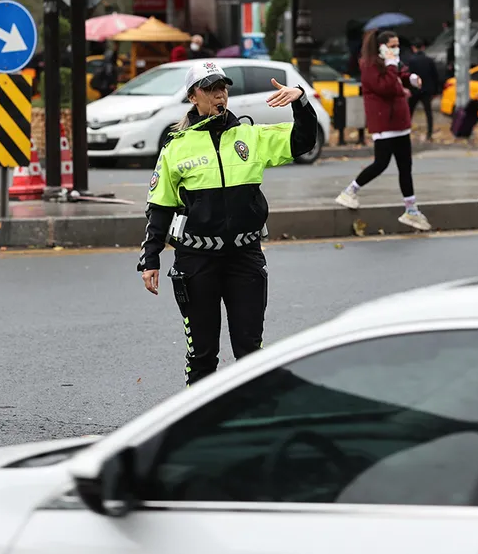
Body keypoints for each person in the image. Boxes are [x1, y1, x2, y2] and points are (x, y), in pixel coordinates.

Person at [137, 60, 318, 387]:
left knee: (250, 350)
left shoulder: (251, 136)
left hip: (244, 258)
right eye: (210, 89)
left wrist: (300, 100)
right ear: (193, 96)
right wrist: (150, 258)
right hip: (196, 261)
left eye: (223, 88)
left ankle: (249, 421)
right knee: (203, 354)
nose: (219, 95)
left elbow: (302, 141)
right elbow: (160, 205)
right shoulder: (176, 147)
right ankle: (199, 423)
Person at [333, 30, 431, 231]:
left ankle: (411, 210)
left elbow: (399, 75)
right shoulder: (369, 65)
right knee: (381, 163)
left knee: (405, 166)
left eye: (397, 44)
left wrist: (410, 78)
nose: (396, 48)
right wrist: (393, 70)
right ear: (381, 46)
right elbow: (385, 86)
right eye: (392, 45)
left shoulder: (392, 62)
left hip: (399, 122)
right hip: (384, 123)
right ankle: (349, 191)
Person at [405, 38, 440, 142]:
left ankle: (406, 131)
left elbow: (408, 76)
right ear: (423, 47)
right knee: (428, 112)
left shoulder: (411, 61)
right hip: (426, 90)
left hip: (414, 90)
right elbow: (435, 76)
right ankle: (429, 132)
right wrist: (435, 91)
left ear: (413, 48)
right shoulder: (429, 60)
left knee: (409, 112)